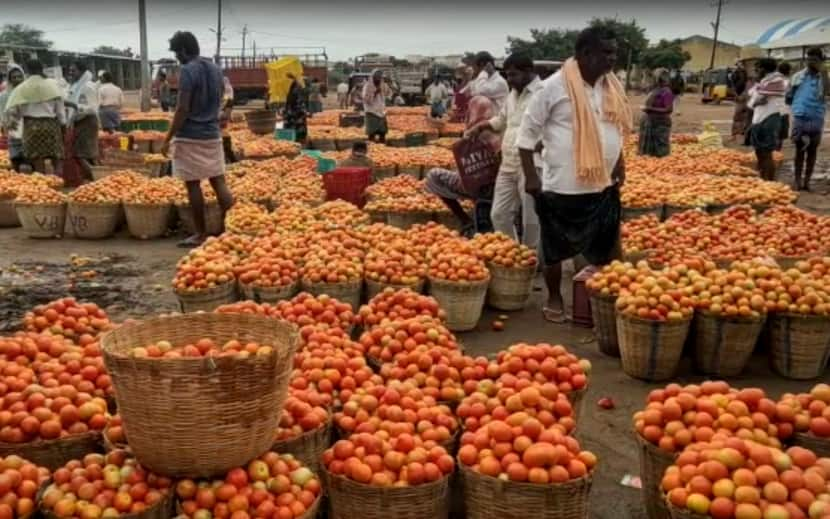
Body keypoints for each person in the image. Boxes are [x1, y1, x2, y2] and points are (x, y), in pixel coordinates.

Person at [517, 26, 632, 323]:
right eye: (606, 52)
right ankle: (554, 297)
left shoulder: (611, 86)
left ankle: (602, 298)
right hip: (563, 185)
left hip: (602, 183)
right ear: (584, 54)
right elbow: (526, 136)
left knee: (606, 244)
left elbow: (614, 128)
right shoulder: (553, 88)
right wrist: (531, 176)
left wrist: (618, 161)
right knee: (554, 248)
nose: (612, 59)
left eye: (614, 52)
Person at [160, 31, 233, 248]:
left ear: (183, 50)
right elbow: (222, 97)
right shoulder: (215, 69)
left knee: (193, 184)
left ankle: (201, 234)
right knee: (218, 181)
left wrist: (167, 138)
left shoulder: (187, 71)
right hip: (212, 134)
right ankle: (231, 229)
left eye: (176, 52)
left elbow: (182, 108)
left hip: (190, 136)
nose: (176, 57)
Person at [466, 53, 542, 247]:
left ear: (528, 71)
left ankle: (530, 256)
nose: (509, 80)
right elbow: (502, 120)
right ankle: (511, 250)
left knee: (531, 218)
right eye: (507, 75)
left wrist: (542, 146)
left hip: (532, 164)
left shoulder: (543, 93)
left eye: (513, 75)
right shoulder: (513, 94)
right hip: (508, 162)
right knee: (499, 213)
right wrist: (482, 126)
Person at [425, 95, 501, 236]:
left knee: (433, 176)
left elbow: (466, 168)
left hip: (479, 188)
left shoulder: (471, 134)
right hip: (500, 187)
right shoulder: (500, 131)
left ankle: (465, 220)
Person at [4, 60, 66, 175]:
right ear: (41, 69)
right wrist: (63, 125)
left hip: (31, 128)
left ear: (26, 71)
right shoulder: (53, 85)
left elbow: (14, 112)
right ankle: (58, 183)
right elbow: (60, 110)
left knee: (38, 161)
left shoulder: (21, 89)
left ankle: (44, 186)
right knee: (56, 158)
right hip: (51, 125)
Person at [787, 47, 829, 191]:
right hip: (800, 116)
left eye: (815, 59)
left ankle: (807, 182)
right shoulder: (798, 76)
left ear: (821, 61)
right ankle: (797, 181)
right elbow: (789, 96)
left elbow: (826, 94)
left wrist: (824, 74)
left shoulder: (825, 76)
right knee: (799, 149)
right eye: (809, 58)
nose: (810, 62)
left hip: (817, 117)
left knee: (812, 150)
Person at [748, 58, 787, 181]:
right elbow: (753, 99)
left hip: (769, 119)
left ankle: (768, 180)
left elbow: (757, 97)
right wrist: (755, 101)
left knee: (766, 153)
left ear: (764, 69)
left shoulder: (776, 80)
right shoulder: (764, 81)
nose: (756, 70)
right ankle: (762, 178)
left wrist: (755, 101)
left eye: (758, 68)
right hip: (759, 119)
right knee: (759, 152)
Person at [65, 61, 100, 182]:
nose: (71, 73)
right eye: (70, 70)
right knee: (88, 154)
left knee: (80, 154)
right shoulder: (76, 86)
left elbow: (92, 108)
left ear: (81, 71)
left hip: (87, 122)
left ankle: (96, 178)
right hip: (80, 122)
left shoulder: (87, 86)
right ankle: (97, 177)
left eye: (73, 70)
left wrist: (73, 105)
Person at [638, 68, 674, 157]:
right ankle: (650, 164)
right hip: (650, 121)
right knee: (648, 149)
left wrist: (650, 108)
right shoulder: (654, 90)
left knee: (660, 145)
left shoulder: (666, 92)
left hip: (660, 122)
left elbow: (669, 109)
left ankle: (661, 164)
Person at [0, 65, 28, 171]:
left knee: (28, 158)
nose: (17, 79)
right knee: (15, 157)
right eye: (14, 77)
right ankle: (18, 176)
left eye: (19, 76)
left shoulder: (28, 91)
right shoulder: (4, 95)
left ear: (23, 76)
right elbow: (2, 112)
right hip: (13, 128)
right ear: (10, 79)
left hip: (28, 128)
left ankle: (30, 179)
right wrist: (3, 125)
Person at [363, 69, 388, 143]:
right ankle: (372, 147)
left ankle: (383, 145)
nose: (378, 79)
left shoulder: (382, 85)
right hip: (371, 112)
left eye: (380, 77)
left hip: (381, 111)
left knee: (383, 132)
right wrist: (375, 93)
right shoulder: (367, 86)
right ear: (373, 77)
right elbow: (366, 99)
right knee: (371, 132)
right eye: (376, 77)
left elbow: (388, 93)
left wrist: (388, 84)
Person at [731, 61, 753, 143]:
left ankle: (745, 137)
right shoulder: (736, 73)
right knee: (738, 117)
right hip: (741, 96)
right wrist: (737, 96)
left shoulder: (751, 74)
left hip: (748, 97)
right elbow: (733, 86)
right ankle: (735, 136)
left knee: (747, 118)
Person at [283, 74, 308, 145]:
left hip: (296, 114)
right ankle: (294, 144)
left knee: (297, 132)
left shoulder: (296, 88)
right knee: (294, 132)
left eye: (288, 78)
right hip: (293, 114)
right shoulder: (292, 87)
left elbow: (298, 102)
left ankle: (297, 145)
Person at [777, 62, 792, 150]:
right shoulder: (788, 82)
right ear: (788, 71)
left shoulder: (772, 80)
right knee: (780, 136)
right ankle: (776, 153)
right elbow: (790, 97)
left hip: (773, 110)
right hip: (783, 111)